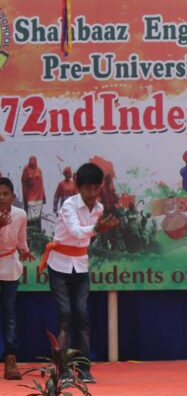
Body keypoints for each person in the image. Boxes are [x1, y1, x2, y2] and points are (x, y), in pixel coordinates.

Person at [40, 163, 119, 383]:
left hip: (81, 267)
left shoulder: (99, 209)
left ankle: (83, 368)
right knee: (65, 316)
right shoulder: (68, 205)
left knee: (82, 316)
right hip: (59, 267)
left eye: (96, 188)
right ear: (78, 186)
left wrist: (96, 231)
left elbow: (84, 240)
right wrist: (96, 230)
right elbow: (75, 232)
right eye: (88, 189)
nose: (92, 194)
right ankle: (63, 368)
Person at [0, 178, 35, 379]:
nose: (1, 197)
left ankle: (10, 358)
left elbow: (21, 239)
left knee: (10, 313)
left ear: (13, 196)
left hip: (10, 267)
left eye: (5, 193)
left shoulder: (20, 215)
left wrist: (25, 251)